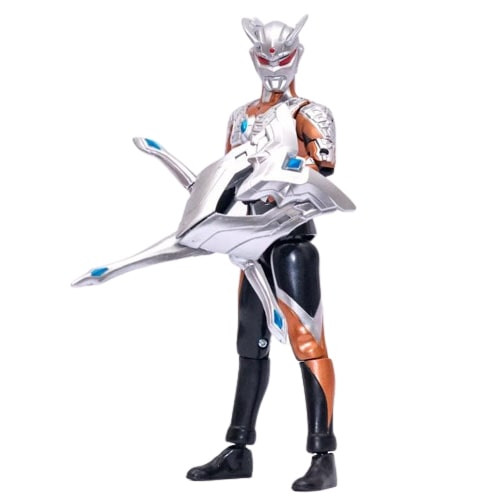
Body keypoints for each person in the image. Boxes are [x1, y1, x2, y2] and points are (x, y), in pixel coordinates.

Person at [186, 16, 338, 492]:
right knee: (250, 345)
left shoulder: (310, 113)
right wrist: (211, 214)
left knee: (307, 344)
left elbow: (324, 165)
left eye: (282, 57)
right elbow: (227, 174)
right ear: (253, 58)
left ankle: (323, 455)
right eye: (265, 58)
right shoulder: (241, 116)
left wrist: (281, 169)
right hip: (249, 243)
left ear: (297, 56)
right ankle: (239, 449)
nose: (274, 66)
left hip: (291, 240)